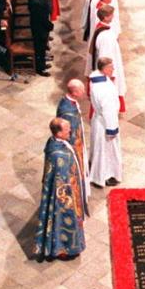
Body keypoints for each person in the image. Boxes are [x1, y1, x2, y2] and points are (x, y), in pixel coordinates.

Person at [33, 117, 86, 260]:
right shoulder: (57, 155)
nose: (70, 131)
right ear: (59, 133)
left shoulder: (56, 142)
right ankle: (64, 249)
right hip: (63, 198)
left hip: (68, 189)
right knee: (62, 220)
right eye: (67, 130)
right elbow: (62, 183)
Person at [88, 59, 122, 187]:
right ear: (104, 69)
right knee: (106, 151)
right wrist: (112, 129)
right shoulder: (104, 89)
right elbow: (109, 110)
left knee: (99, 149)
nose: (113, 69)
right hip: (106, 123)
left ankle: (98, 172)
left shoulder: (97, 80)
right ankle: (105, 175)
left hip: (98, 120)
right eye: (110, 67)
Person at [56, 78, 89, 207]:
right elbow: (67, 134)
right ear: (74, 93)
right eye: (82, 90)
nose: (84, 92)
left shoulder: (70, 102)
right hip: (73, 147)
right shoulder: (67, 112)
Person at [28, 0, 52, 75]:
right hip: (39, 28)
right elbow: (40, 17)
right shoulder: (34, 1)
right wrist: (49, 25)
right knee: (39, 48)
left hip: (42, 27)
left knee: (42, 47)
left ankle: (42, 63)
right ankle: (40, 68)